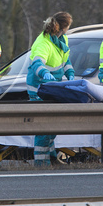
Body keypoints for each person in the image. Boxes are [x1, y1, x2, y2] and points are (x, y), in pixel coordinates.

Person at [27, 12, 75, 166]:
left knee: (51, 125)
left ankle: (52, 158)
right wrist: (45, 73)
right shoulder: (43, 42)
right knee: (44, 126)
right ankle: (41, 162)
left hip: (52, 87)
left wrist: (70, 73)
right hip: (39, 88)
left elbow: (65, 60)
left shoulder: (62, 40)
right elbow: (37, 63)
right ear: (64, 27)